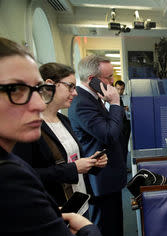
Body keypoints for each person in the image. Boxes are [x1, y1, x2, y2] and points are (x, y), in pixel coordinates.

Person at [0, 37, 112, 236]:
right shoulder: (9, 178)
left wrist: (90, 165)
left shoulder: (61, 121)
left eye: (37, 89)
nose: (38, 103)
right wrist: (86, 228)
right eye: (16, 89)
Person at [68, 55, 135, 236]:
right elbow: (108, 133)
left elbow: (118, 130)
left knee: (114, 216)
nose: (112, 81)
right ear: (92, 79)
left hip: (110, 170)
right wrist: (115, 104)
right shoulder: (82, 103)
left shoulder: (94, 97)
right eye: (108, 77)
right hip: (99, 174)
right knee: (104, 222)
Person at [13, 63, 107, 207]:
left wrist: (92, 163)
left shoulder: (64, 120)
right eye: (70, 86)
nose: (75, 93)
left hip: (80, 201)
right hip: (56, 208)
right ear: (50, 84)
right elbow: (25, 176)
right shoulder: (29, 127)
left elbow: (70, 159)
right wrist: (73, 169)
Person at [114, 80, 131, 167]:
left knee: (124, 146)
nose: (120, 91)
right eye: (118, 89)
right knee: (117, 146)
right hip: (116, 124)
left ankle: (124, 165)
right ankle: (117, 165)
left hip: (126, 124)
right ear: (114, 88)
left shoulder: (127, 98)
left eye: (122, 89)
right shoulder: (111, 98)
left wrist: (128, 110)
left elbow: (131, 112)